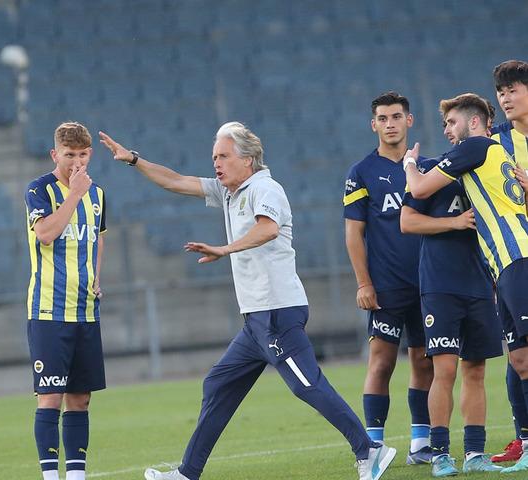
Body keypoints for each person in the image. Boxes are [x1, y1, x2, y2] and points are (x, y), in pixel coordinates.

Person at [99, 123, 395, 480]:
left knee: (306, 384)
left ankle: (369, 449)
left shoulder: (265, 188)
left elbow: (267, 228)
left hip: (277, 312)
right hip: (256, 321)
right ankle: (187, 473)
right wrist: (133, 159)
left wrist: (224, 249)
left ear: (249, 159)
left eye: (223, 156)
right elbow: (175, 181)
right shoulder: (229, 192)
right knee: (218, 385)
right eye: (214, 157)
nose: (216, 164)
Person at [403, 92, 528, 474]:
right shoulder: (489, 159)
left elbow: (419, 187)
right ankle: (443, 453)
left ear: (474, 123)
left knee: (499, 365)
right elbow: (409, 218)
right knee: (513, 360)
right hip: (472, 276)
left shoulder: (474, 149)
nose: (447, 131)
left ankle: (473, 452)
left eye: (451, 123)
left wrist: (409, 164)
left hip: (508, 264)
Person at [343, 92, 434, 464]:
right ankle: (372, 448)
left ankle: (420, 444)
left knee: (424, 362)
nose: (391, 123)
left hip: (429, 282)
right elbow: (353, 233)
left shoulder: (427, 169)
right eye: (383, 118)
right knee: (381, 362)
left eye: (397, 116)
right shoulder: (361, 172)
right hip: (386, 286)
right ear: (374, 125)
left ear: (409, 120)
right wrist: (364, 283)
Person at [24, 122, 107, 480]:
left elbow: (98, 237)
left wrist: (97, 277)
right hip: (48, 310)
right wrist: (73, 194)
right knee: (50, 397)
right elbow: (45, 234)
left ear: (90, 154)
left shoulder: (99, 194)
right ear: (54, 154)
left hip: (85, 311)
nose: (76, 161)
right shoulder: (39, 189)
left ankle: (76, 476)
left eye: (83, 155)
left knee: (80, 399)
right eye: (69, 155)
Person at [488, 59, 528, 465]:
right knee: (518, 355)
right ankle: (523, 438)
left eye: (513, 89)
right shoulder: (496, 142)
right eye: (501, 92)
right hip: (512, 260)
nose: (505, 98)